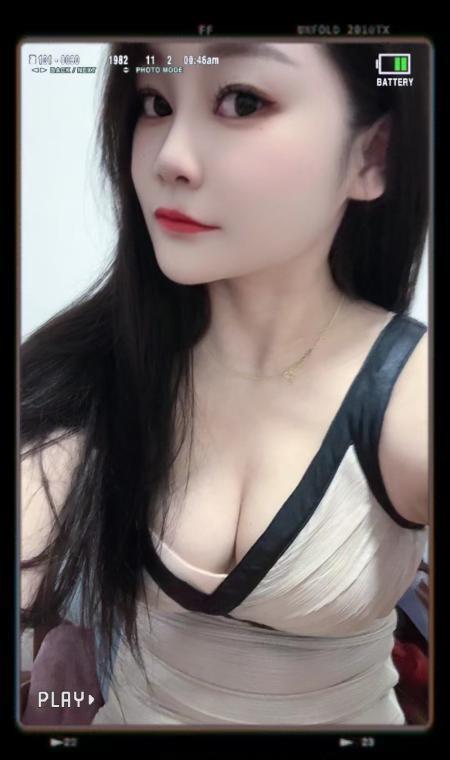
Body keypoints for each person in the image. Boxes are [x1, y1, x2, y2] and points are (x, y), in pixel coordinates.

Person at [20, 39, 430, 726]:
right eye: (155, 103)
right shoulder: (99, 368)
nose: (170, 158)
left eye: (242, 101)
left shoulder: (405, 395)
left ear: (372, 156)